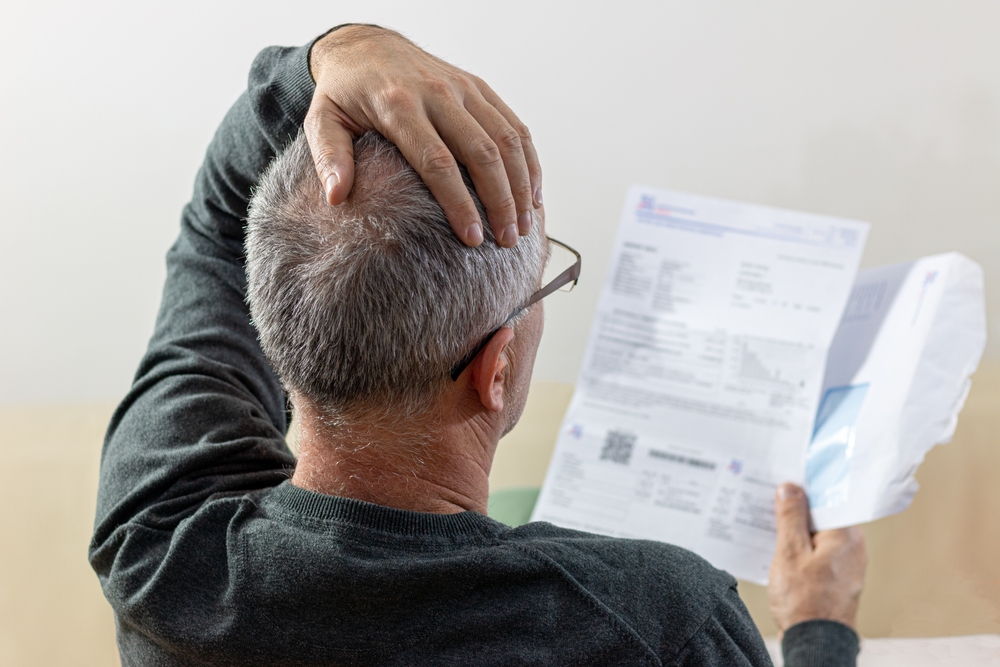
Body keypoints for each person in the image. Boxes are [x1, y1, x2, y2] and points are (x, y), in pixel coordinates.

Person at [90, 24, 866, 666]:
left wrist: (336, 53)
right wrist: (817, 629)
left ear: (268, 321)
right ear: (495, 370)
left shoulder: (159, 545)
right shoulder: (660, 622)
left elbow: (212, 227)